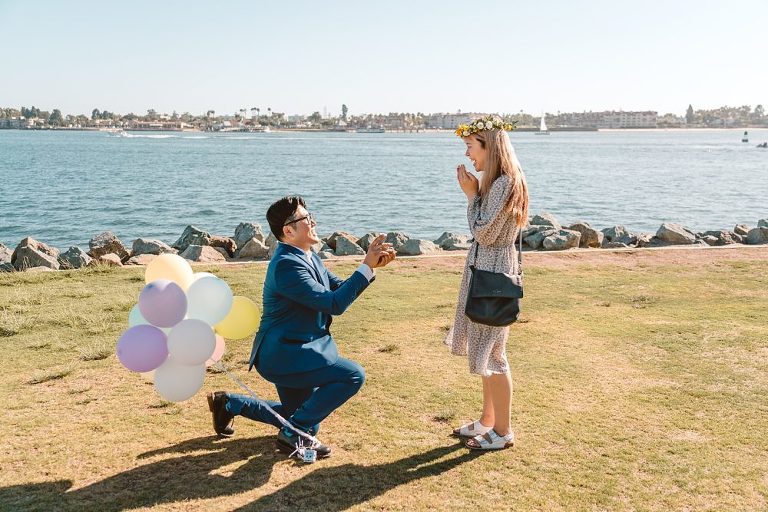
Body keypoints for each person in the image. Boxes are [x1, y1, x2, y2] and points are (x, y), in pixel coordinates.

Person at [207, 195, 396, 458]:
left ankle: (229, 403)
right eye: (307, 218)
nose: (313, 221)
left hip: (299, 349)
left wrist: (370, 268)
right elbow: (334, 304)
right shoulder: (287, 265)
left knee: (309, 421)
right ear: (288, 230)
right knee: (352, 375)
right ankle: (292, 433)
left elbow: (339, 290)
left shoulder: (308, 256)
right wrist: (364, 266)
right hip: (284, 355)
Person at [445, 115, 529, 450]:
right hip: (487, 268)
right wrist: (477, 193)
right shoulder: (499, 183)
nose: (468, 154)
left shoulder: (505, 183)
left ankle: (503, 432)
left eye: (470, 146)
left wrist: (470, 196)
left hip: (491, 271)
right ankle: (488, 421)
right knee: (487, 349)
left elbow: (483, 231)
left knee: (493, 354)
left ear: (489, 147)